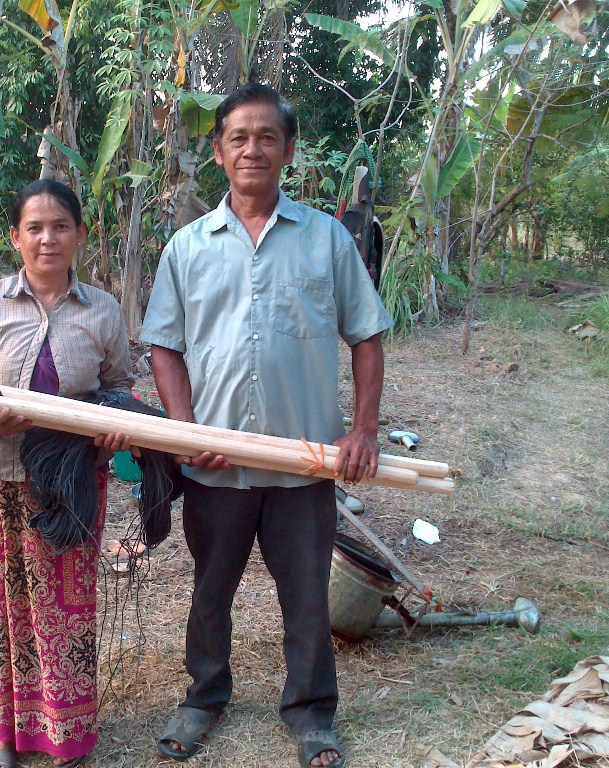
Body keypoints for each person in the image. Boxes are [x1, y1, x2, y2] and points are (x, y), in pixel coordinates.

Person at [140, 83, 393, 768]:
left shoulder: (327, 242)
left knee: (307, 595)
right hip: (215, 463)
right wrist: (188, 429)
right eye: (239, 136)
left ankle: (311, 715)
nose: (253, 147)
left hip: (304, 462)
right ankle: (203, 698)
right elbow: (164, 344)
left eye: (267, 136)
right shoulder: (187, 248)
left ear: (288, 150)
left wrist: (364, 429)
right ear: (219, 150)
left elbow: (366, 335)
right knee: (210, 590)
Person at [0, 179, 135, 768]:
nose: (47, 238)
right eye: (34, 227)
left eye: (60, 227)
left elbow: (119, 390)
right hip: (2, 478)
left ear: (79, 235)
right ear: (15, 237)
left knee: (65, 607)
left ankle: (66, 735)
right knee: (4, 605)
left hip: (75, 483)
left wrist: (110, 427)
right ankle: (6, 734)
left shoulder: (101, 310)